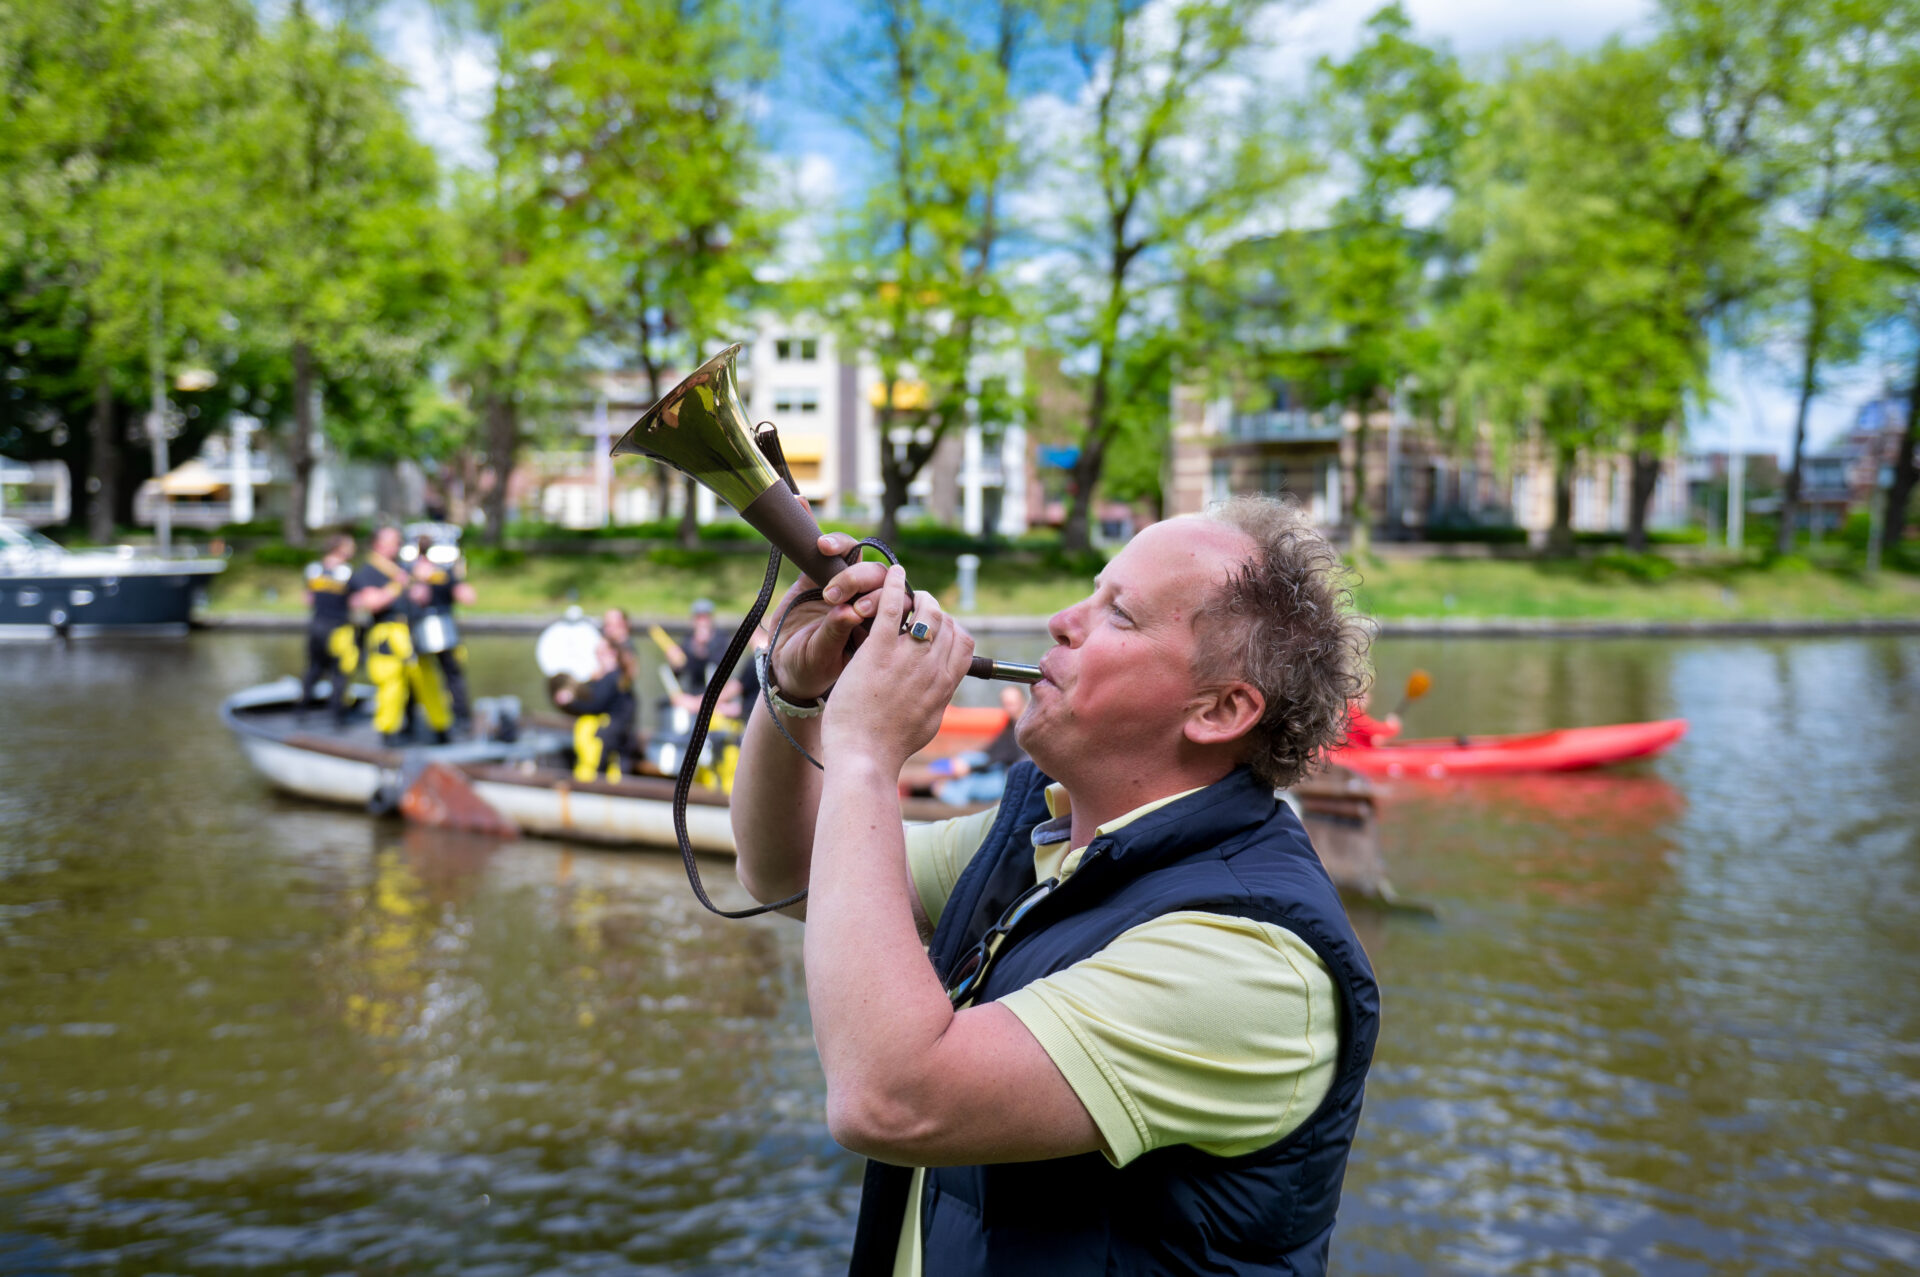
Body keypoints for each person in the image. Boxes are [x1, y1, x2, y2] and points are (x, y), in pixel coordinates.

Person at [729, 496, 1380, 1276]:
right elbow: (791, 872)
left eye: (1120, 615)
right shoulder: (1042, 833)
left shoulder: (1254, 959)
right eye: (1091, 591)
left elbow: (890, 1096)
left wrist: (867, 749)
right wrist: (797, 697)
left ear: (1220, 708)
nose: (1063, 620)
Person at [348, 524, 451, 748]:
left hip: (413, 633)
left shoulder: (402, 568)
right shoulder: (369, 571)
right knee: (391, 685)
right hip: (388, 635)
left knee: (427, 681)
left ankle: (440, 729)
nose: (398, 545)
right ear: (378, 544)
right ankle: (388, 736)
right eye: (392, 541)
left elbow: (420, 597)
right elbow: (371, 602)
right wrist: (399, 585)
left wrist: (421, 584)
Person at [409, 532, 478, 730]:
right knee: (447, 674)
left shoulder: (429, 571)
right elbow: (467, 596)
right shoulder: (435, 572)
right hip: (430, 628)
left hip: (432, 628)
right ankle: (458, 717)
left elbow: (466, 596)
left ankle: (456, 717)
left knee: (441, 673)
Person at [553, 630, 637, 782]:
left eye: (601, 652)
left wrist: (571, 702)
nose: (597, 655)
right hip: (613, 738)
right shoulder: (610, 677)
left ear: (612, 653)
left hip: (611, 740)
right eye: (596, 652)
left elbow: (596, 704)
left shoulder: (613, 678)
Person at [300, 531, 358, 725]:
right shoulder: (347, 572)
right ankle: (337, 717)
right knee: (339, 673)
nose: (353, 549)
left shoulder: (314, 569)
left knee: (314, 669)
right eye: (349, 546)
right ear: (339, 549)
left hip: (316, 626)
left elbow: (307, 598)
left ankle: (301, 711)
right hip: (338, 628)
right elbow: (356, 601)